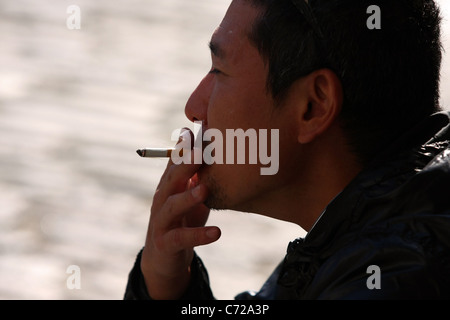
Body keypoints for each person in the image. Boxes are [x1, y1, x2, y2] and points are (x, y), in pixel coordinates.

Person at [124, 0, 450, 300]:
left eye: (219, 71)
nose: (193, 108)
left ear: (313, 106)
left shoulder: (398, 275)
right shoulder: (356, 244)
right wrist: (167, 284)